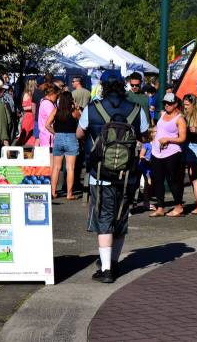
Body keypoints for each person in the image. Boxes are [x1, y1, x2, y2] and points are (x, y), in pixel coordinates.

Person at [77, 70, 148, 283]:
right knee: (120, 217)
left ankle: (106, 269)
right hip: (128, 175)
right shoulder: (137, 109)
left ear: (103, 86)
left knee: (104, 218)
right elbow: (144, 134)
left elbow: (79, 134)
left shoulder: (92, 109)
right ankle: (114, 263)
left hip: (100, 174)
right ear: (123, 85)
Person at [150, 93, 187, 217]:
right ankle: (160, 208)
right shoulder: (162, 114)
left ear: (175, 104)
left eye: (170, 103)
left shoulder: (179, 118)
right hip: (156, 152)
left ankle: (178, 206)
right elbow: (159, 128)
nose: (167, 105)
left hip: (172, 153)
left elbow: (182, 138)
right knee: (158, 180)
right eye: (165, 102)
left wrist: (168, 139)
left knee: (172, 181)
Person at [47, 91, 79, 200]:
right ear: (70, 100)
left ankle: (53, 192)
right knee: (70, 168)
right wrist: (77, 107)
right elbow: (80, 121)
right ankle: (69, 194)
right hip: (71, 138)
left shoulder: (56, 110)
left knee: (56, 168)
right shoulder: (74, 111)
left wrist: (55, 132)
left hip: (58, 138)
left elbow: (47, 125)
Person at [182, 94, 197, 214]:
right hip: (183, 146)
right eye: (184, 104)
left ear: (193, 104)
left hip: (194, 146)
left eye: (187, 105)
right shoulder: (183, 116)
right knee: (185, 175)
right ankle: (180, 205)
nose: (185, 107)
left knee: (193, 176)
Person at [36, 83, 59, 150]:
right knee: (49, 158)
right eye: (56, 96)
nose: (57, 98)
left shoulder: (44, 101)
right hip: (48, 137)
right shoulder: (48, 104)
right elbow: (53, 119)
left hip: (45, 136)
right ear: (52, 93)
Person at [16, 80, 37, 146]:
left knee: (33, 135)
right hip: (28, 116)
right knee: (25, 135)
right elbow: (24, 107)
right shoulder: (26, 94)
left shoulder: (35, 94)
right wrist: (33, 107)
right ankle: (17, 151)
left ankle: (30, 151)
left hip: (34, 116)